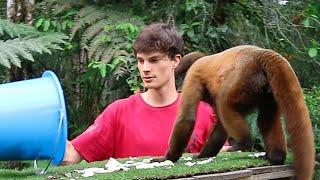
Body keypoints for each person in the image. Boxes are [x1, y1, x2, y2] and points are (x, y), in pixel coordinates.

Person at [61, 23, 231, 165]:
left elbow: (223, 164)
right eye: (141, 61)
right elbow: (70, 156)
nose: (145, 69)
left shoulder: (203, 111)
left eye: (154, 60)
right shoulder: (118, 112)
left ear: (176, 60)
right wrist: (39, 135)